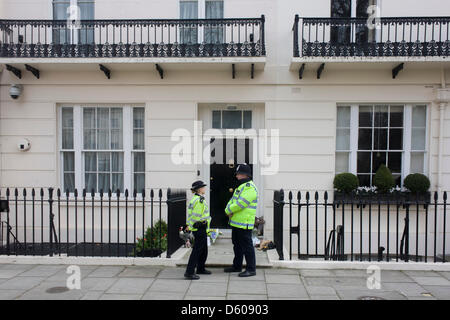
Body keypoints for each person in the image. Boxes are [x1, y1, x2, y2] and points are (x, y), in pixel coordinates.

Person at [223, 163, 258, 277]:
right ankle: (237, 266)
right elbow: (232, 200)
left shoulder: (250, 188)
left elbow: (241, 203)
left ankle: (251, 269)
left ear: (244, 175)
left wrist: (228, 210)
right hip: (237, 222)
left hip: (244, 223)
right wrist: (228, 209)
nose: (236, 176)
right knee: (237, 245)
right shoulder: (241, 187)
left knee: (247, 247)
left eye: (238, 174)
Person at [184, 180, 212, 280]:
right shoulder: (199, 200)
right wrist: (196, 226)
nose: (204, 188)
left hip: (199, 228)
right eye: (203, 187)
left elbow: (192, 216)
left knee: (204, 250)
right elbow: (196, 216)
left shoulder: (196, 199)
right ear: (199, 189)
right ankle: (189, 272)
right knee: (197, 251)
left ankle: (201, 268)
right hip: (200, 228)